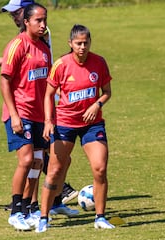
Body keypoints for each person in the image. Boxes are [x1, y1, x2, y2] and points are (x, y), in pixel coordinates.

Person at [0, 0, 79, 212]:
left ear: (26, 13)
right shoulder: (19, 43)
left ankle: (42, 202)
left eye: (15, 13)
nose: (13, 17)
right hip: (25, 110)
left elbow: (42, 67)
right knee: (32, 159)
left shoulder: (42, 39)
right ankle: (25, 206)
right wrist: (14, 114)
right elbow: (11, 73)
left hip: (44, 108)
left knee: (45, 158)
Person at [36, 24, 114, 233]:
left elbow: (106, 91)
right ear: (70, 44)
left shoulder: (99, 62)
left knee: (100, 168)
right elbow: (48, 94)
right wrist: (48, 120)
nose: (82, 47)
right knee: (54, 170)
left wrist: (97, 104)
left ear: (90, 42)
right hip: (65, 124)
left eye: (85, 43)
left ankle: (100, 217)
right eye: (78, 43)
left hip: (92, 124)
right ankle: (44, 217)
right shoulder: (61, 64)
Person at [0, 2, 51, 230]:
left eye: (44, 20)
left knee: (38, 162)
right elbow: (5, 81)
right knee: (27, 160)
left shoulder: (44, 48)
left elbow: (49, 85)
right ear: (27, 21)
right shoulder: (17, 45)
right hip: (20, 112)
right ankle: (15, 211)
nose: (42, 25)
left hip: (40, 115)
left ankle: (29, 209)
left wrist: (51, 117)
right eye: (38, 20)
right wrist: (14, 114)